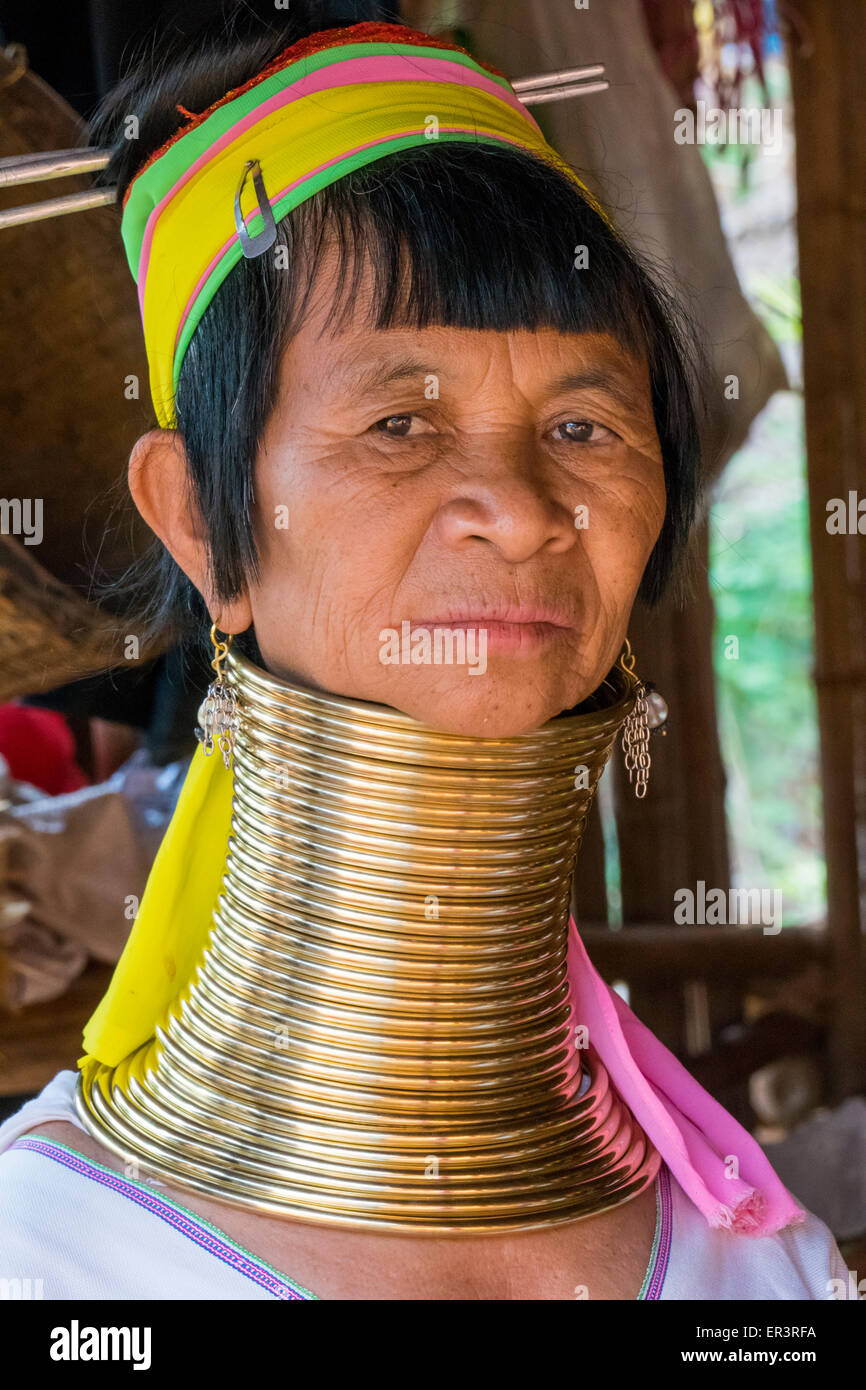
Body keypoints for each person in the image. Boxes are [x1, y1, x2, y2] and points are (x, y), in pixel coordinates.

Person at [0, 4, 853, 1300]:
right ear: (200, 524)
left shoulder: (761, 1264)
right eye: (398, 420)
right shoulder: (54, 1261)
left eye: (582, 425)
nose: (516, 507)